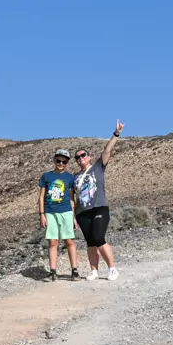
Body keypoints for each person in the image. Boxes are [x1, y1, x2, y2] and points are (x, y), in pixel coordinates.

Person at [74, 120, 124, 281]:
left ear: (88, 157)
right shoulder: (75, 177)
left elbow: (107, 150)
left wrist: (116, 133)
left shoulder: (97, 167)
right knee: (90, 242)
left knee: (98, 237)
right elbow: (73, 198)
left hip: (99, 207)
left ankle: (112, 269)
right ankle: (94, 270)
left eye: (83, 155)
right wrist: (74, 216)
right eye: (77, 157)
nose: (80, 158)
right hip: (83, 212)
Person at [38, 148, 80, 281]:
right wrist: (42, 214)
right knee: (53, 242)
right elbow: (41, 197)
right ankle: (53, 271)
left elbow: (72, 198)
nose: (61, 164)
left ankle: (74, 270)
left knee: (69, 241)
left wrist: (74, 217)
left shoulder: (70, 177)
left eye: (64, 162)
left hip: (66, 211)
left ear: (67, 163)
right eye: (59, 161)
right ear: (54, 160)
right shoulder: (46, 176)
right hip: (50, 212)